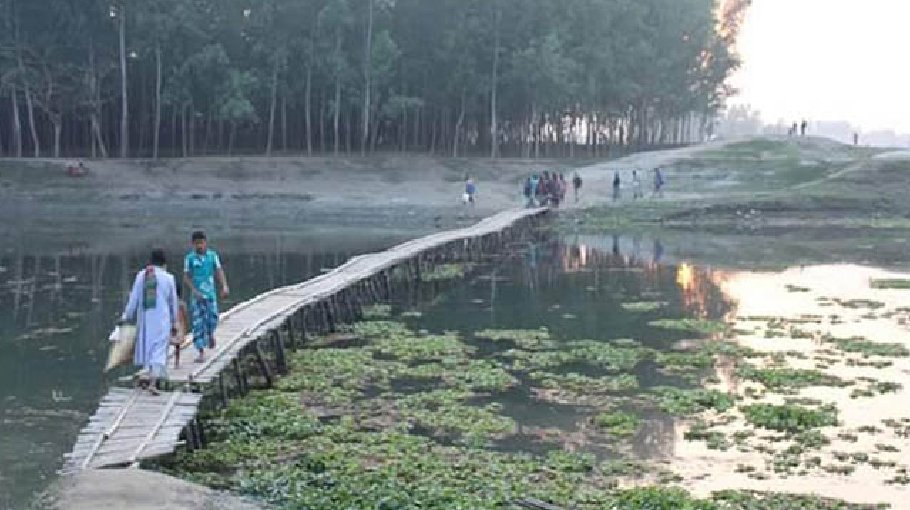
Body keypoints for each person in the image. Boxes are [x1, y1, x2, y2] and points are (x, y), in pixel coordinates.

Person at [120, 249, 178, 395]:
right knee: (159, 350)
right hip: (162, 319)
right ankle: (153, 382)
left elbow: (134, 298)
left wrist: (126, 316)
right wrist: (175, 322)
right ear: (164, 263)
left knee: (150, 348)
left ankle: (151, 377)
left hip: (146, 319)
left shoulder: (143, 275)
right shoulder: (169, 278)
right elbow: (173, 303)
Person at [184, 231, 230, 363]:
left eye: (201, 243)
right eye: (197, 243)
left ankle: (210, 334)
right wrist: (194, 290)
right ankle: (201, 351)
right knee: (198, 323)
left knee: (213, 318)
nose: (199, 246)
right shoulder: (190, 258)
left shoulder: (212, 256)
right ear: (193, 244)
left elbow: (219, 271)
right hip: (197, 296)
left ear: (205, 242)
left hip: (210, 294)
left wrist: (224, 286)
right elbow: (186, 277)